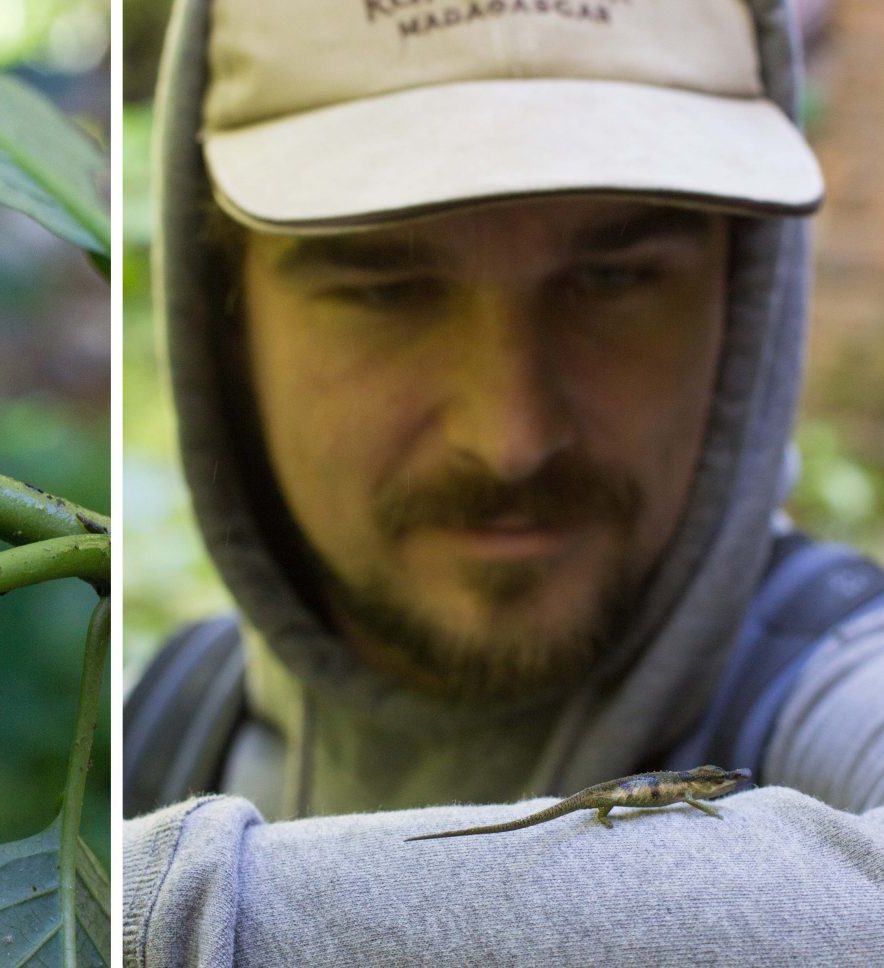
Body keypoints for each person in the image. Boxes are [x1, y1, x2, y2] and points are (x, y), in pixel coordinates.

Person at [123, 0, 884, 964]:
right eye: (384, 287)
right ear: (223, 324)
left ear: (746, 296)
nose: (510, 441)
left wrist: (159, 910)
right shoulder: (146, 728)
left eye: (615, 277)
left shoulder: (845, 689)